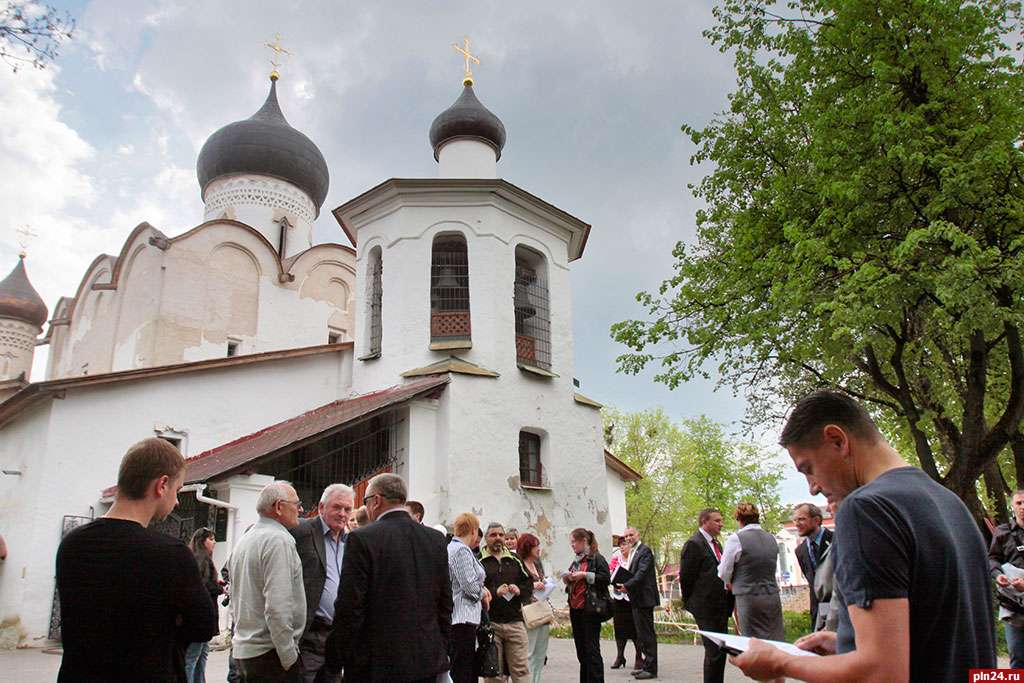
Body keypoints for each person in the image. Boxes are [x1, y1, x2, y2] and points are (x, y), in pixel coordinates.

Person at [733, 390, 996, 682]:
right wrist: (847, 642)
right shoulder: (948, 502)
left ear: (837, 440)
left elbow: (881, 672)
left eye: (808, 469)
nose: (812, 487)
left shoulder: (866, 509)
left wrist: (780, 663)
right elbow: (940, 632)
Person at [55, 438, 218, 682]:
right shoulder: (170, 554)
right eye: (177, 490)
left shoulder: (72, 544)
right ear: (162, 485)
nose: (176, 501)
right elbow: (203, 626)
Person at [327, 473, 452, 682]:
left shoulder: (362, 539)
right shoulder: (435, 539)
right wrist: (440, 648)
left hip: (376, 664)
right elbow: (445, 603)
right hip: (426, 661)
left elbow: (350, 606)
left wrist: (336, 657)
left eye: (365, 502)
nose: (366, 508)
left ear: (376, 501)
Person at [229, 481, 307, 682]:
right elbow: (277, 607)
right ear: (279, 507)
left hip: (247, 651)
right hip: (270, 655)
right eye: (296, 503)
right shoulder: (278, 540)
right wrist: (289, 655)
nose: (301, 509)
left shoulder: (246, 539)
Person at [291, 484, 354, 683]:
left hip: (337, 635)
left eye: (347, 509)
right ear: (321, 507)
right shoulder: (301, 531)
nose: (342, 514)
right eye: (337, 507)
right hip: (309, 634)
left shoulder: (351, 541)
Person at [678, 508, 734, 683]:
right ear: (704, 521)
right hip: (705, 607)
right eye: (717, 520)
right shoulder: (694, 544)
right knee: (714, 651)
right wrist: (691, 603)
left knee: (720, 651)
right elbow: (686, 577)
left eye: (721, 520)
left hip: (721, 605)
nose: (721, 524)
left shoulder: (716, 544)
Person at [718, 503, 784, 641]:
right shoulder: (771, 538)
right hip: (771, 594)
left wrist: (730, 581)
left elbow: (724, 571)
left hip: (748, 596)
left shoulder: (736, 539)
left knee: (751, 640)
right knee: (774, 637)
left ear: (738, 519)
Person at [480, 523, 533, 683]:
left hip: (515, 623)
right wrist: (494, 592)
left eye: (501, 535)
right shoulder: (479, 560)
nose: (498, 538)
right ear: (486, 538)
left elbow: (528, 584)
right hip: (491, 623)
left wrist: (519, 590)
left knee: (521, 670)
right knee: (494, 674)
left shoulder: (515, 559)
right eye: (493, 535)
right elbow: (474, 588)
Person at [563, 528, 610, 683]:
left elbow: (605, 579)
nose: (572, 545)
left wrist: (584, 575)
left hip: (590, 609)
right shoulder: (576, 561)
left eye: (574, 542)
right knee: (581, 652)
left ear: (584, 541)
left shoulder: (597, 558)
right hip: (576, 609)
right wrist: (568, 579)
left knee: (592, 651)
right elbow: (573, 584)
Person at [448, 512, 489, 683]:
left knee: (465, 668)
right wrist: (483, 594)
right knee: (462, 671)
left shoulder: (454, 548)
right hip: (462, 618)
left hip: (463, 619)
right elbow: (469, 585)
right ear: (473, 530)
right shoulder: (461, 550)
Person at [989, 489, 1024, 668]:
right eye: (1019, 503)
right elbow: (993, 558)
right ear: (1013, 506)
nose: (1023, 507)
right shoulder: (1002, 532)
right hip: (1013, 606)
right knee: (1017, 657)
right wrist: (998, 575)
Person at [618, 527, 659, 679]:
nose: (628, 538)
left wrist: (627, 586)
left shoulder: (644, 551)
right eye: (626, 536)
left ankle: (651, 668)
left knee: (647, 634)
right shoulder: (634, 552)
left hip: (644, 598)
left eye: (631, 535)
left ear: (638, 535)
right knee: (641, 634)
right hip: (636, 598)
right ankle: (646, 665)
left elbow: (641, 573)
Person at [185, 527, 224, 683]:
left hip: (200, 618)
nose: (214, 542)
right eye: (211, 539)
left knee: (201, 656)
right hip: (201, 619)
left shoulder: (196, 558)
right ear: (202, 541)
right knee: (193, 658)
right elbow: (204, 587)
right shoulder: (202, 560)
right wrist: (220, 588)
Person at [517, 533, 551, 683]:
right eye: (535, 545)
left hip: (542, 612)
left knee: (540, 653)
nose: (538, 549)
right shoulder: (519, 564)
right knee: (528, 653)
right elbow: (517, 587)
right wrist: (532, 586)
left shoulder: (537, 563)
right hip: (528, 613)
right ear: (527, 547)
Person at [792, 502, 833, 627]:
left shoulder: (837, 540)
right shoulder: (800, 551)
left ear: (816, 520)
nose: (797, 524)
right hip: (818, 611)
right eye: (795, 520)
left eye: (802, 519)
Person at [608, 536, 642, 672]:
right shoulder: (616, 560)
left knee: (635, 628)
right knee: (620, 628)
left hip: (632, 598)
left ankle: (639, 656)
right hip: (619, 598)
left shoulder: (635, 560)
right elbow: (610, 575)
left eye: (624, 544)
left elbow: (639, 577)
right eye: (620, 545)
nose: (622, 547)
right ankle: (620, 656)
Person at [813, 501, 839, 632]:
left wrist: (830, 627)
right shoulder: (800, 550)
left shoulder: (837, 538)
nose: (828, 509)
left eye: (831, 499)